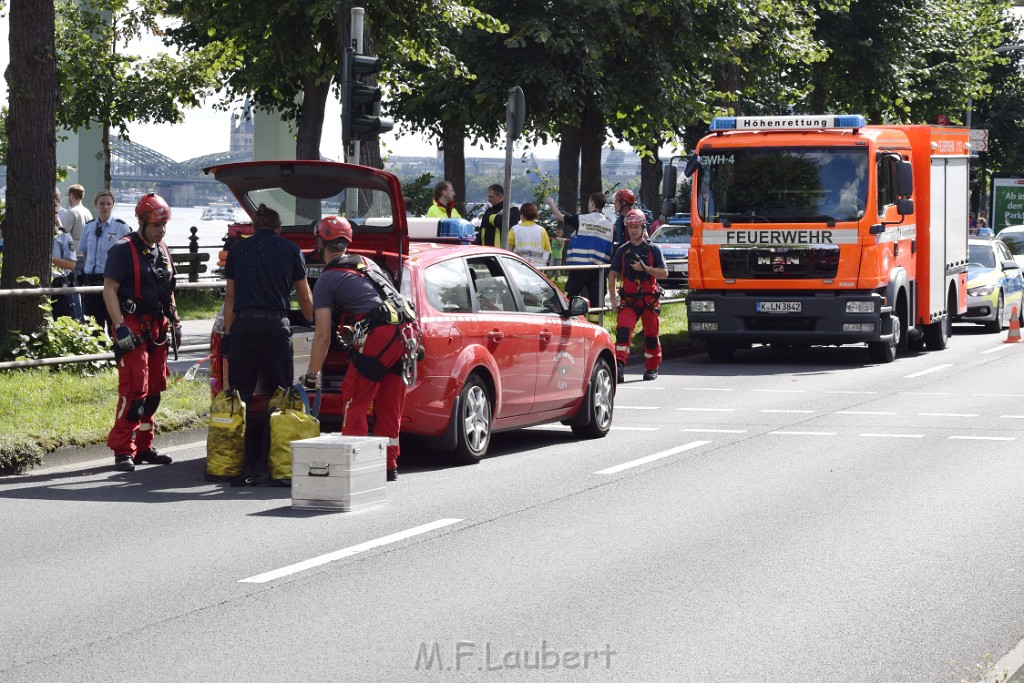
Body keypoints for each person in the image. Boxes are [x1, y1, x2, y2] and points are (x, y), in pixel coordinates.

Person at [303, 216, 419, 482]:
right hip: (407, 333)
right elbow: (374, 303)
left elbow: (322, 335)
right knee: (390, 404)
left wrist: (312, 375)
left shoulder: (327, 280)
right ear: (347, 242)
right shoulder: (368, 264)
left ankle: (356, 466)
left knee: (354, 400)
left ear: (320, 242)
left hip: (382, 336)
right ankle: (389, 466)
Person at [222, 204, 313, 485]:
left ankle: (244, 462)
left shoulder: (238, 250)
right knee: (280, 396)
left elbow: (230, 298)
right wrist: (315, 324)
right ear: (278, 228)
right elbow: (304, 295)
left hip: (244, 326)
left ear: (254, 227)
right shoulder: (290, 249)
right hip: (276, 327)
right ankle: (276, 462)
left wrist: (228, 335)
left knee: (242, 397)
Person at [103, 193, 181, 472]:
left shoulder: (162, 249)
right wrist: (119, 324)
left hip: (158, 326)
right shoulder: (123, 250)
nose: (161, 230)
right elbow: (109, 289)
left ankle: (144, 446)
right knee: (135, 388)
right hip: (132, 326)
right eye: (157, 225)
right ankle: (124, 449)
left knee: (156, 389)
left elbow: (168, 289)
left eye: (164, 225)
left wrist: (175, 319)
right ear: (142, 222)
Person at [608, 209, 669, 383]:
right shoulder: (622, 251)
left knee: (651, 336)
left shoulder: (653, 250)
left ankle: (652, 367)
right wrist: (613, 299)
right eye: (630, 227)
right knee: (622, 333)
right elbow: (612, 274)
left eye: (637, 226)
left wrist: (646, 269)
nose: (634, 230)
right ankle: (618, 366)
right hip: (629, 301)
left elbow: (664, 273)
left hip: (649, 300)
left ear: (643, 227)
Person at [545, 192, 614, 309]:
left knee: (569, 298)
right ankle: (595, 324)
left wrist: (551, 203)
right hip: (598, 269)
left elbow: (558, 216)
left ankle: (566, 319)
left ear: (592, 202)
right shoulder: (610, 225)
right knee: (596, 303)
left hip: (579, 267)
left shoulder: (581, 219)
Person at [80, 190, 131, 333]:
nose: (105, 207)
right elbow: (85, 251)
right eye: (101, 203)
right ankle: (96, 354)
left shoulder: (121, 227)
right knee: (92, 326)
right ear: (95, 205)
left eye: (109, 204)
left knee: (114, 323)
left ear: (113, 205)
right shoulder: (89, 226)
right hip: (91, 282)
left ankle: (116, 354)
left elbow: (128, 254)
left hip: (111, 282)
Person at [51, 206, 82, 321]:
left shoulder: (63, 235)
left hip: (59, 288)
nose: (54, 216)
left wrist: (50, 259)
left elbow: (71, 264)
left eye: (55, 213)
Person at [508, 202, 551, 267]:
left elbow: (508, 251)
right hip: (537, 270)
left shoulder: (514, 230)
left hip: (518, 268)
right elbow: (547, 251)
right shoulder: (542, 231)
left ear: (522, 215)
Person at [477, 183, 520, 247]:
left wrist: (489, 216)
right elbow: (481, 234)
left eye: (491, 197)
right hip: (486, 252)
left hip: (503, 253)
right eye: (488, 197)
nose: (488, 200)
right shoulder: (489, 211)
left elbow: (502, 223)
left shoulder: (512, 211)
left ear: (500, 196)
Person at [64, 184, 93, 275]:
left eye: (68, 195)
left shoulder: (71, 212)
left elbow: (64, 233)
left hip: (74, 253)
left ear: (72, 195)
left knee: (73, 283)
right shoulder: (87, 212)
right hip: (86, 253)